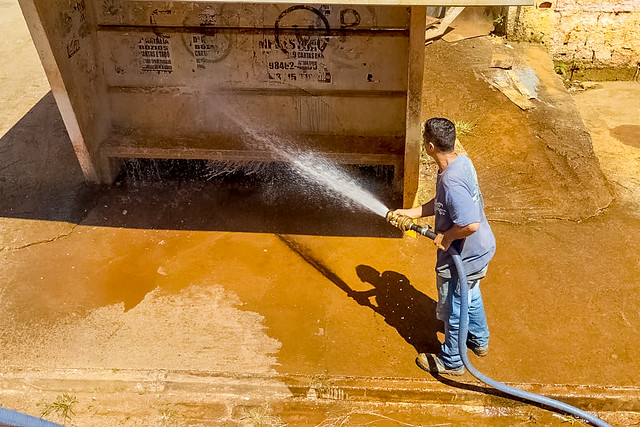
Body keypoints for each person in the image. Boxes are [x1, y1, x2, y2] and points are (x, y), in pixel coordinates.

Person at [392, 117, 496, 376]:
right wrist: (413, 213)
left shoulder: (451, 180)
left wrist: (447, 237)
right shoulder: (459, 163)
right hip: (480, 250)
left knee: (453, 307)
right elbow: (443, 201)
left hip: (464, 256)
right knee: (470, 296)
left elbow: (470, 224)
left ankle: (452, 362)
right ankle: (479, 340)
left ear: (429, 147)